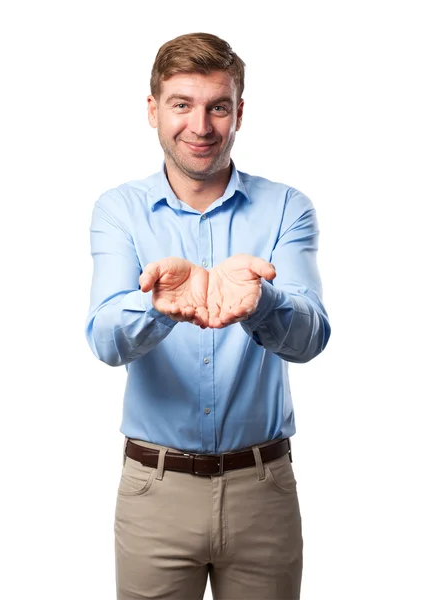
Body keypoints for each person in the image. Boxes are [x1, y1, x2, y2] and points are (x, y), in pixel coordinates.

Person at [85, 32, 331, 600]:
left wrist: (263, 303)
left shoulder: (287, 207)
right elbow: (103, 337)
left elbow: (312, 334)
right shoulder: (118, 210)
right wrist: (157, 308)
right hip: (155, 492)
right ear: (152, 111)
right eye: (182, 104)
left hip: (262, 492)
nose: (200, 126)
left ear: (239, 112)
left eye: (218, 106)